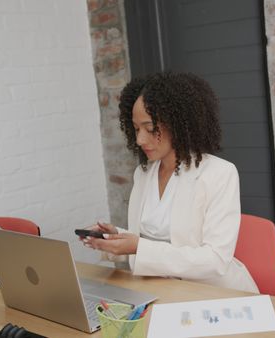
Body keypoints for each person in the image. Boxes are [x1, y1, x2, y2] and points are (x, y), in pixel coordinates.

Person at [82, 72, 258, 293]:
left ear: (178, 123)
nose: (140, 139)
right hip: (159, 288)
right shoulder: (143, 174)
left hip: (212, 293)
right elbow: (151, 236)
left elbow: (215, 260)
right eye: (136, 129)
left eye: (150, 128)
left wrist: (139, 247)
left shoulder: (219, 173)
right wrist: (114, 237)